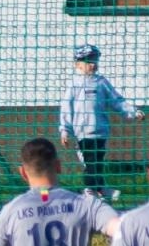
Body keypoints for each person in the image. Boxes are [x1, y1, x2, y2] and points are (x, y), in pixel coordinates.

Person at [58, 44, 144, 200]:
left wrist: (132, 111)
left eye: (94, 60)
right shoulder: (74, 84)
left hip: (100, 131)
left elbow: (116, 100)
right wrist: (65, 130)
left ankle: (100, 188)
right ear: (77, 64)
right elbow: (66, 107)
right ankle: (90, 190)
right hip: (82, 132)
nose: (92, 64)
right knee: (90, 162)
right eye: (87, 61)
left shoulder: (101, 82)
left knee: (97, 162)